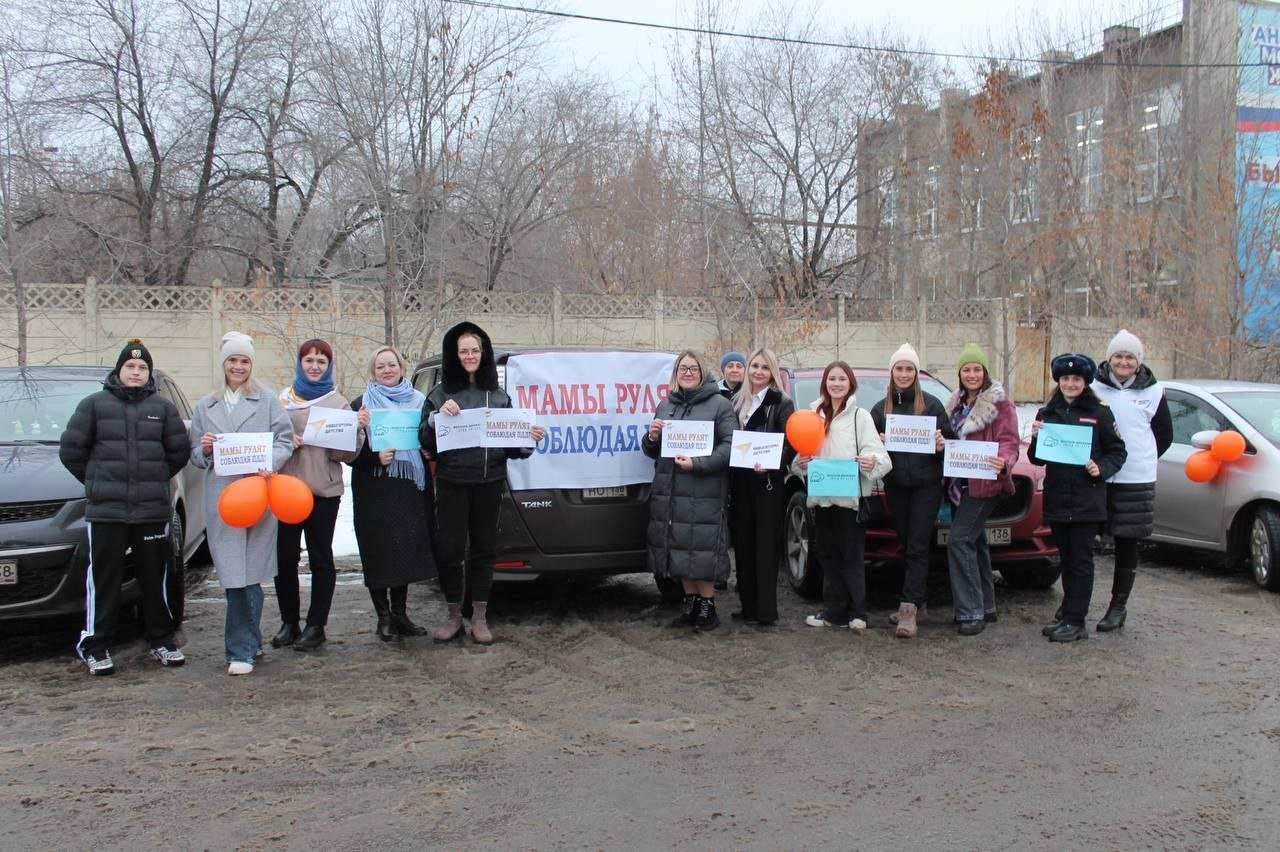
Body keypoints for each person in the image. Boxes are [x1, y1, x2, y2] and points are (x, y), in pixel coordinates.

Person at [58, 339, 190, 675]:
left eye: (142, 368)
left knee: (154, 578)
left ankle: (161, 639)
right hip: (107, 512)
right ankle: (96, 645)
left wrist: (156, 478)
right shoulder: (93, 405)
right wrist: (96, 481)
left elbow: (178, 452)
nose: (136, 372)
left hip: (150, 512)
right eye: (130, 366)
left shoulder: (162, 408)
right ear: (119, 370)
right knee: (104, 580)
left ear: (149, 375)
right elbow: (71, 451)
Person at [420, 321, 544, 645]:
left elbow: (513, 447)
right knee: (449, 550)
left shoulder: (499, 397)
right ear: (455, 355)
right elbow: (425, 442)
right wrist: (436, 420)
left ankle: (479, 617)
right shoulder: (439, 394)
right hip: (452, 482)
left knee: (484, 550)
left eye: (475, 350)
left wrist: (527, 438)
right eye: (464, 351)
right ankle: (452, 617)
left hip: (489, 482)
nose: (470, 356)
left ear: (484, 354)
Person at [189, 332, 293, 675]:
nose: (238, 366)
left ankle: (243, 648)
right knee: (235, 575)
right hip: (223, 499)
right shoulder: (206, 406)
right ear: (223, 364)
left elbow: (285, 439)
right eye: (232, 360)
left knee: (251, 575)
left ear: (251, 365)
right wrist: (204, 450)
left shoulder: (266, 401)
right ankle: (245, 647)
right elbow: (195, 455)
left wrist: (272, 462)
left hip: (258, 495)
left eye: (244, 361)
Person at [1030, 353, 1128, 642]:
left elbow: (1117, 451)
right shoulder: (1047, 413)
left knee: (1081, 561)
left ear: (1085, 382)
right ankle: (1068, 614)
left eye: (1076, 379)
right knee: (1066, 559)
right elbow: (1036, 459)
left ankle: (1076, 620)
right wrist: (1036, 438)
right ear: (1058, 381)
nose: (1070, 384)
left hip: (1087, 500)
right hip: (1058, 498)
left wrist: (1101, 469)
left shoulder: (1099, 413)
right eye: (1065, 379)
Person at [271, 338, 361, 652]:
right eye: (309, 360)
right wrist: (285, 443)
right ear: (299, 364)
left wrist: (355, 431)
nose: (314, 366)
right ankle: (289, 622)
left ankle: (316, 625)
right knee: (284, 560)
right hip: (285, 491)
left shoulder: (338, 403)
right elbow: (267, 443)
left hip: (323, 491)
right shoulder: (280, 401)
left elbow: (347, 455)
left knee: (321, 559)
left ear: (328, 367)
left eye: (321, 361)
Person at [643, 350, 736, 631]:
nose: (687, 373)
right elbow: (651, 451)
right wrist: (652, 436)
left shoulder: (720, 405)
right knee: (679, 548)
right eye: (682, 368)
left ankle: (708, 608)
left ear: (702, 372)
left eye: (693, 368)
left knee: (702, 549)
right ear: (675, 374)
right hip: (670, 491)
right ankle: (692, 604)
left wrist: (698, 464)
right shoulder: (665, 405)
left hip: (703, 490)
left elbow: (730, 447)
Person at [349, 346, 437, 642]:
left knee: (405, 549)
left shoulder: (420, 402)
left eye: (392, 365)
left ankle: (400, 614)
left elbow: (431, 437)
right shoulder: (360, 405)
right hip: (374, 487)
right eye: (380, 367)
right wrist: (371, 455)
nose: (387, 371)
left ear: (401, 367)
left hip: (409, 486)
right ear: (373, 372)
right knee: (378, 551)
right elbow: (343, 451)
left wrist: (428, 447)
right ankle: (383, 617)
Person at [795, 362, 891, 634]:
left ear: (851, 383)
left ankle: (857, 613)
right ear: (825, 383)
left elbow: (881, 458)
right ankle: (833, 612)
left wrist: (870, 462)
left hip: (850, 501)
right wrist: (801, 462)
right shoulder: (813, 415)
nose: (836, 384)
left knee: (851, 557)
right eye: (832, 379)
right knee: (827, 556)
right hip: (822, 499)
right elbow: (799, 457)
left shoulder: (860, 416)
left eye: (842, 379)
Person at [1089, 330, 1172, 631]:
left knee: (1126, 543)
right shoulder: (1093, 387)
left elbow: (1164, 435)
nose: (1123, 362)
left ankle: (1118, 606)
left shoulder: (1154, 391)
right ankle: (1075, 604)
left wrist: (1140, 457)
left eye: (1129, 357)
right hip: (1096, 475)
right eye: (1118, 356)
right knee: (1085, 541)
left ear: (1138, 362)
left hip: (1135, 479)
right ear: (1109, 358)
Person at [869, 343, 951, 639]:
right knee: (907, 542)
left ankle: (908, 610)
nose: (903, 374)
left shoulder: (932, 406)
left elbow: (950, 448)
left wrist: (943, 443)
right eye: (899, 369)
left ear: (916, 373)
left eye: (909, 369)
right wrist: (876, 442)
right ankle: (920, 601)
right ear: (891, 373)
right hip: (896, 487)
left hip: (927, 487)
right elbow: (869, 451)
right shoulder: (879, 410)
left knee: (917, 544)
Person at [943, 343, 1020, 636]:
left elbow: (1009, 441)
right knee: (975, 543)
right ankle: (986, 607)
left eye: (977, 369)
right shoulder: (956, 403)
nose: (972, 374)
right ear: (960, 374)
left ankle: (970, 612)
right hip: (957, 485)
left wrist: (1006, 462)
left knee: (959, 541)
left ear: (985, 372)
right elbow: (952, 438)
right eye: (966, 370)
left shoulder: (1000, 403)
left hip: (984, 483)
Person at [728, 348, 796, 627]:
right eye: (754, 366)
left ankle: (765, 611)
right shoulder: (736, 401)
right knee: (742, 544)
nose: (757, 371)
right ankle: (748, 606)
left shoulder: (782, 403)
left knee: (765, 546)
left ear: (772, 373)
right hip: (740, 481)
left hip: (767, 482)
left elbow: (791, 445)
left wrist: (773, 464)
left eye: (764, 367)